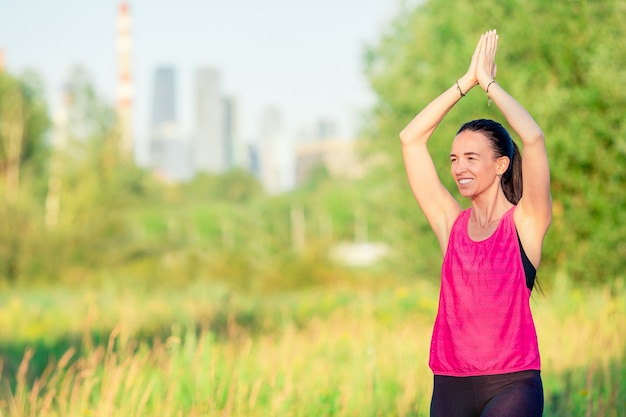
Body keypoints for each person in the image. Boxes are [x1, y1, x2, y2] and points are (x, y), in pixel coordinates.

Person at [399, 30, 552, 417]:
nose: (459, 168)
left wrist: (490, 84)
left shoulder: (527, 221)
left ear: (501, 164)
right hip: (449, 383)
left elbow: (532, 138)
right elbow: (410, 139)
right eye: (453, 159)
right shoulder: (450, 225)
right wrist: (464, 83)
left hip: (513, 383)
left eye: (471, 157)